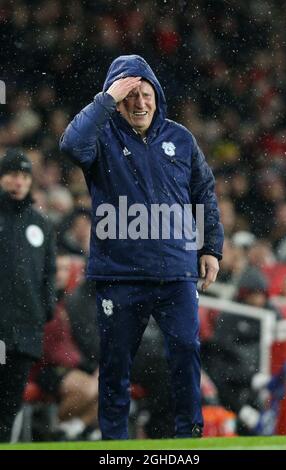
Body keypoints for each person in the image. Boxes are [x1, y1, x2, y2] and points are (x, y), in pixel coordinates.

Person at [60, 54, 224, 439]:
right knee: (115, 366)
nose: (139, 102)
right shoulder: (100, 138)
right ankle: (114, 444)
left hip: (176, 272)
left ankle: (189, 439)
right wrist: (104, 100)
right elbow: (70, 145)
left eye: (145, 93)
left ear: (157, 95)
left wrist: (210, 248)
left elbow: (204, 194)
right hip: (119, 275)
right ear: (115, 100)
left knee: (186, 353)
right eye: (128, 95)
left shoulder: (181, 139)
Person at [0, 148, 56, 442]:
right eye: (11, 175)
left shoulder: (41, 224)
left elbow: (49, 274)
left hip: (26, 332)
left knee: (9, 406)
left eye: (23, 176)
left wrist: (45, 309)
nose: (18, 182)